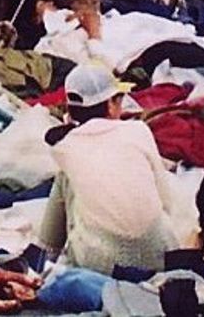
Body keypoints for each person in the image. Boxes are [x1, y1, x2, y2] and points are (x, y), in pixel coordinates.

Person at [35, 64, 182, 274]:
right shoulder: (139, 131)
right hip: (159, 257)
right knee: (68, 175)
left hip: (98, 266)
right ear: (111, 105)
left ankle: (40, 260)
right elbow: (165, 202)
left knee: (66, 177)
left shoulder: (65, 146)